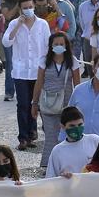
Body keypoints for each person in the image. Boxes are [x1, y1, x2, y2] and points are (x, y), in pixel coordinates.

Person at [3, 0, 50, 150]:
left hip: (38, 71)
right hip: (21, 71)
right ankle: (23, 137)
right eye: (25, 8)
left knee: (34, 103)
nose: (29, 10)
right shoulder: (14, 23)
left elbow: (47, 46)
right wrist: (17, 25)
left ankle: (31, 134)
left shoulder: (42, 24)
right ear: (20, 9)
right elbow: (7, 42)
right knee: (22, 104)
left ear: (34, 6)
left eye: (30, 7)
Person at [32, 31, 80, 170]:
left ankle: (65, 163)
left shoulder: (73, 61)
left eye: (61, 44)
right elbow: (39, 82)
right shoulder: (43, 61)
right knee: (51, 135)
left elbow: (77, 85)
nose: (59, 46)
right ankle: (47, 165)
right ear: (51, 46)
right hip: (47, 104)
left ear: (66, 46)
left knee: (65, 135)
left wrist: (77, 106)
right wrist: (34, 103)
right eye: (56, 44)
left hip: (66, 105)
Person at [46, 107, 99, 177]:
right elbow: (50, 178)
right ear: (63, 126)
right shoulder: (58, 151)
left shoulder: (94, 140)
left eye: (80, 125)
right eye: (72, 126)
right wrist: (62, 177)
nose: (77, 128)